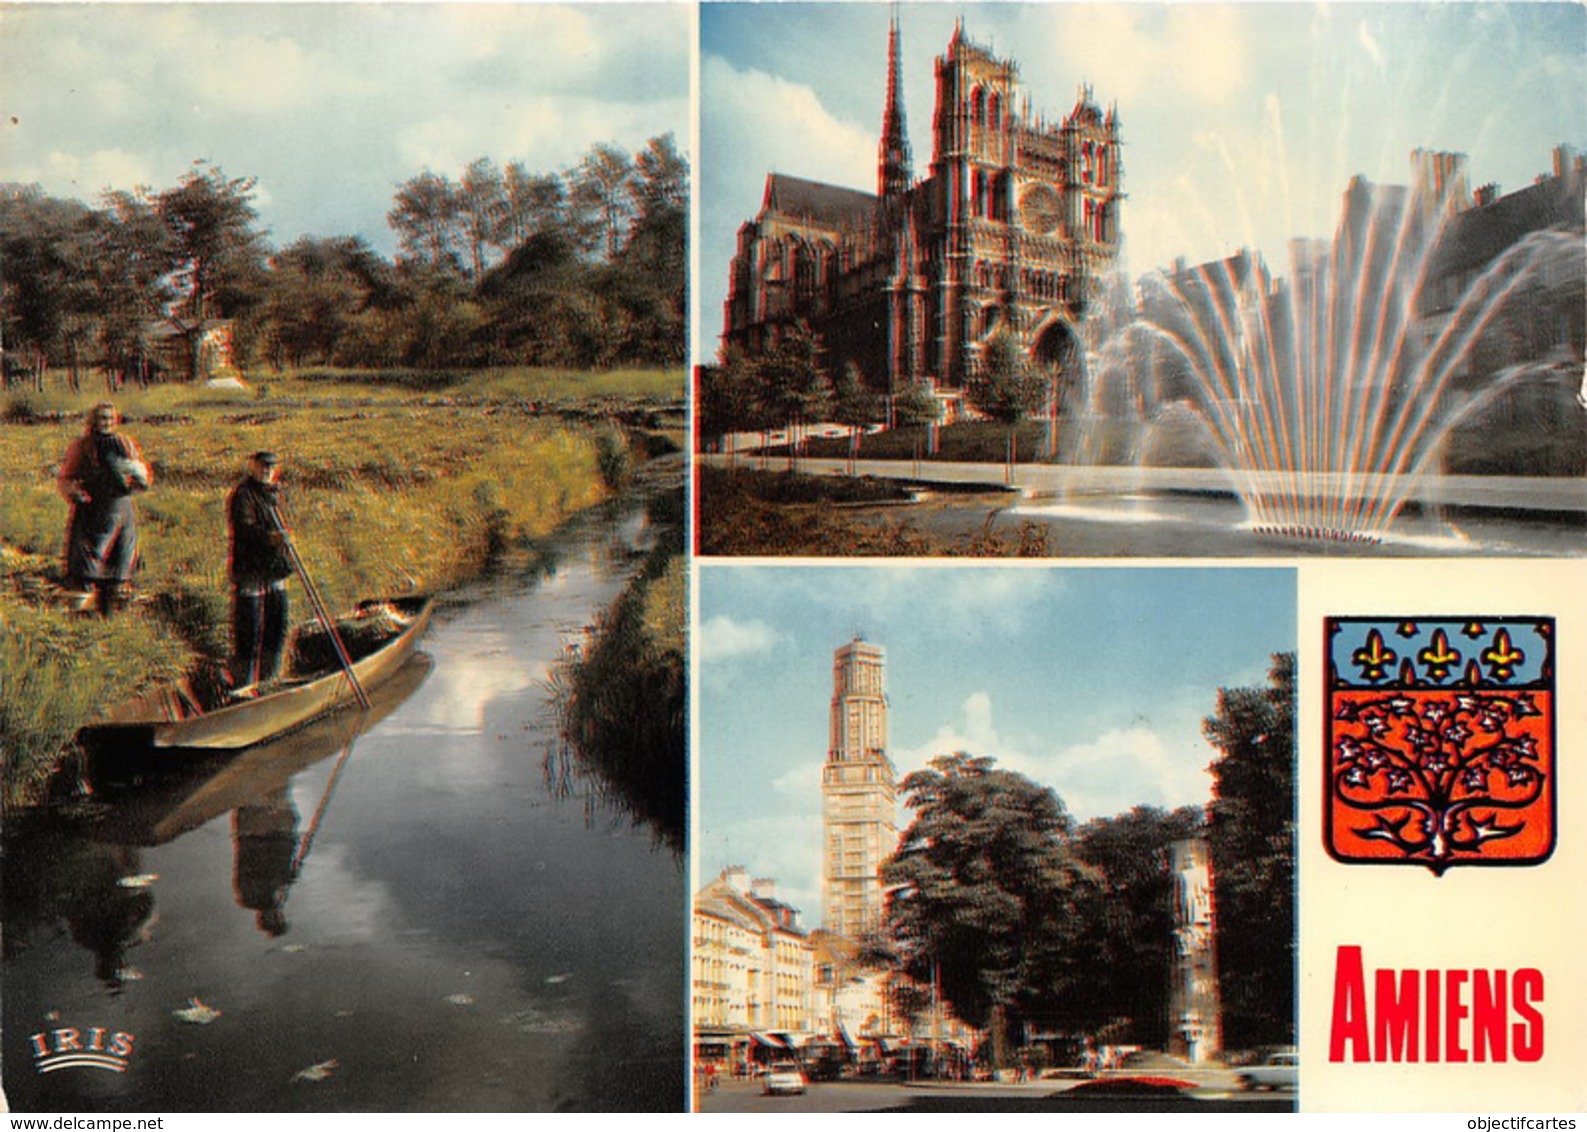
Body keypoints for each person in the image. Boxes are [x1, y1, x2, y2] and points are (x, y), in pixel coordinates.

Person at [57, 402, 151, 615]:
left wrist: (138, 478)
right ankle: (83, 619)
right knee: (87, 567)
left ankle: (111, 614)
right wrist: (76, 494)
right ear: (93, 421)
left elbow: (140, 474)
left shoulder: (125, 443)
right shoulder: (82, 447)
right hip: (92, 511)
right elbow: (67, 477)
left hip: (120, 510)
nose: (107, 422)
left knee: (119, 564)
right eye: (102, 418)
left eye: (110, 419)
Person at [227, 451, 293, 693]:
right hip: (251, 568)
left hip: (274, 567)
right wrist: (270, 538)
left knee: (277, 622)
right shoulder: (243, 494)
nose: (267, 471)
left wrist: (283, 539)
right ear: (253, 467)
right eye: (263, 466)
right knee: (249, 627)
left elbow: (287, 523)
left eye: (271, 467)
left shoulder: (275, 493)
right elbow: (244, 529)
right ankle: (244, 686)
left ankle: (269, 681)